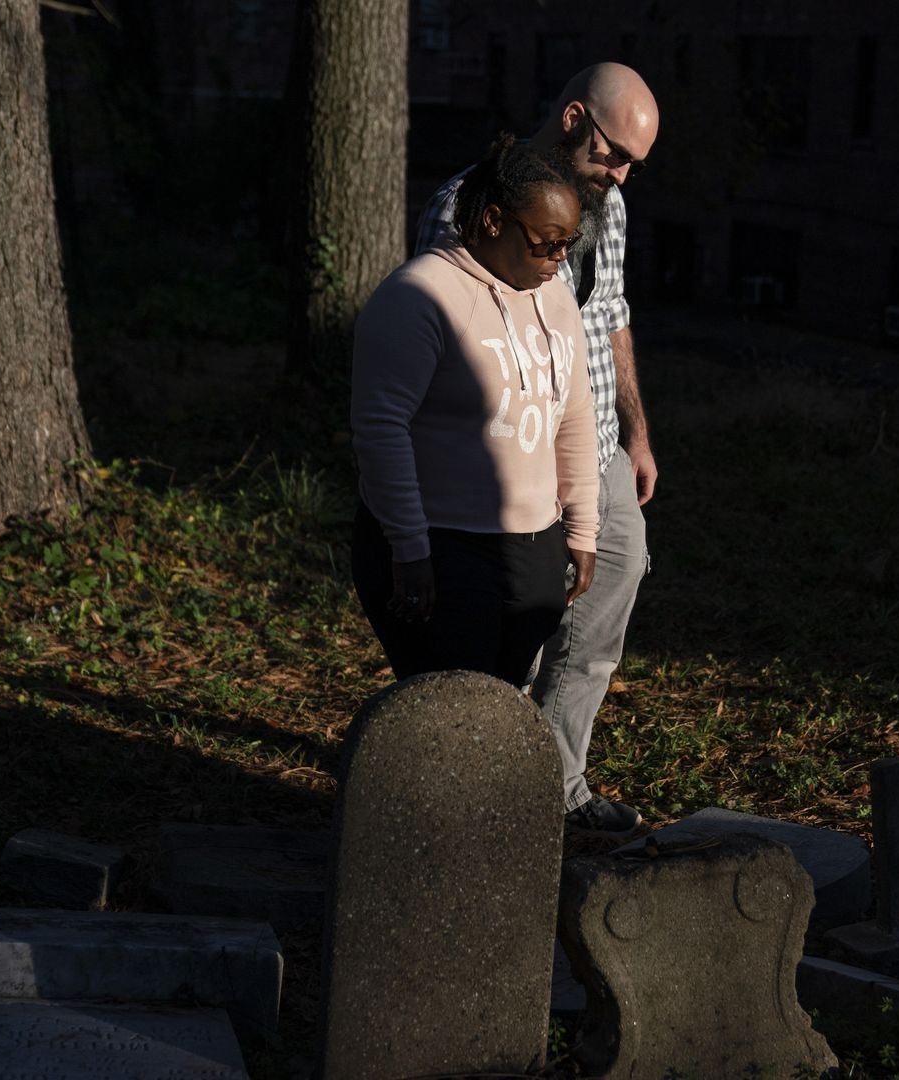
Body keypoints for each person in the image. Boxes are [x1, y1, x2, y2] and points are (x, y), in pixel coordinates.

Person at [416, 62, 659, 839]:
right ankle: (480, 784)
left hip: (601, 450)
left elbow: (612, 313)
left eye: (633, 166)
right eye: (615, 153)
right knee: (513, 624)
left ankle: (557, 787)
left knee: (607, 599)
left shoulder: (608, 204)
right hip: (513, 454)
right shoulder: (466, 207)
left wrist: (638, 433)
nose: (622, 175)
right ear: (573, 117)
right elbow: (445, 336)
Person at [350, 137, 598, 688]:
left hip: (533, 545)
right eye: (547, 243)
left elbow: (575, 412)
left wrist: (581, 528)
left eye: (568, 244)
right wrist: (410, 549)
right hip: (443, 545)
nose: (559, 260)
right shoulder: (419, 297)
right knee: (448, 711)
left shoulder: (554, 295)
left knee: (500, 704)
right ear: (491, 220)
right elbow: (380, 430)